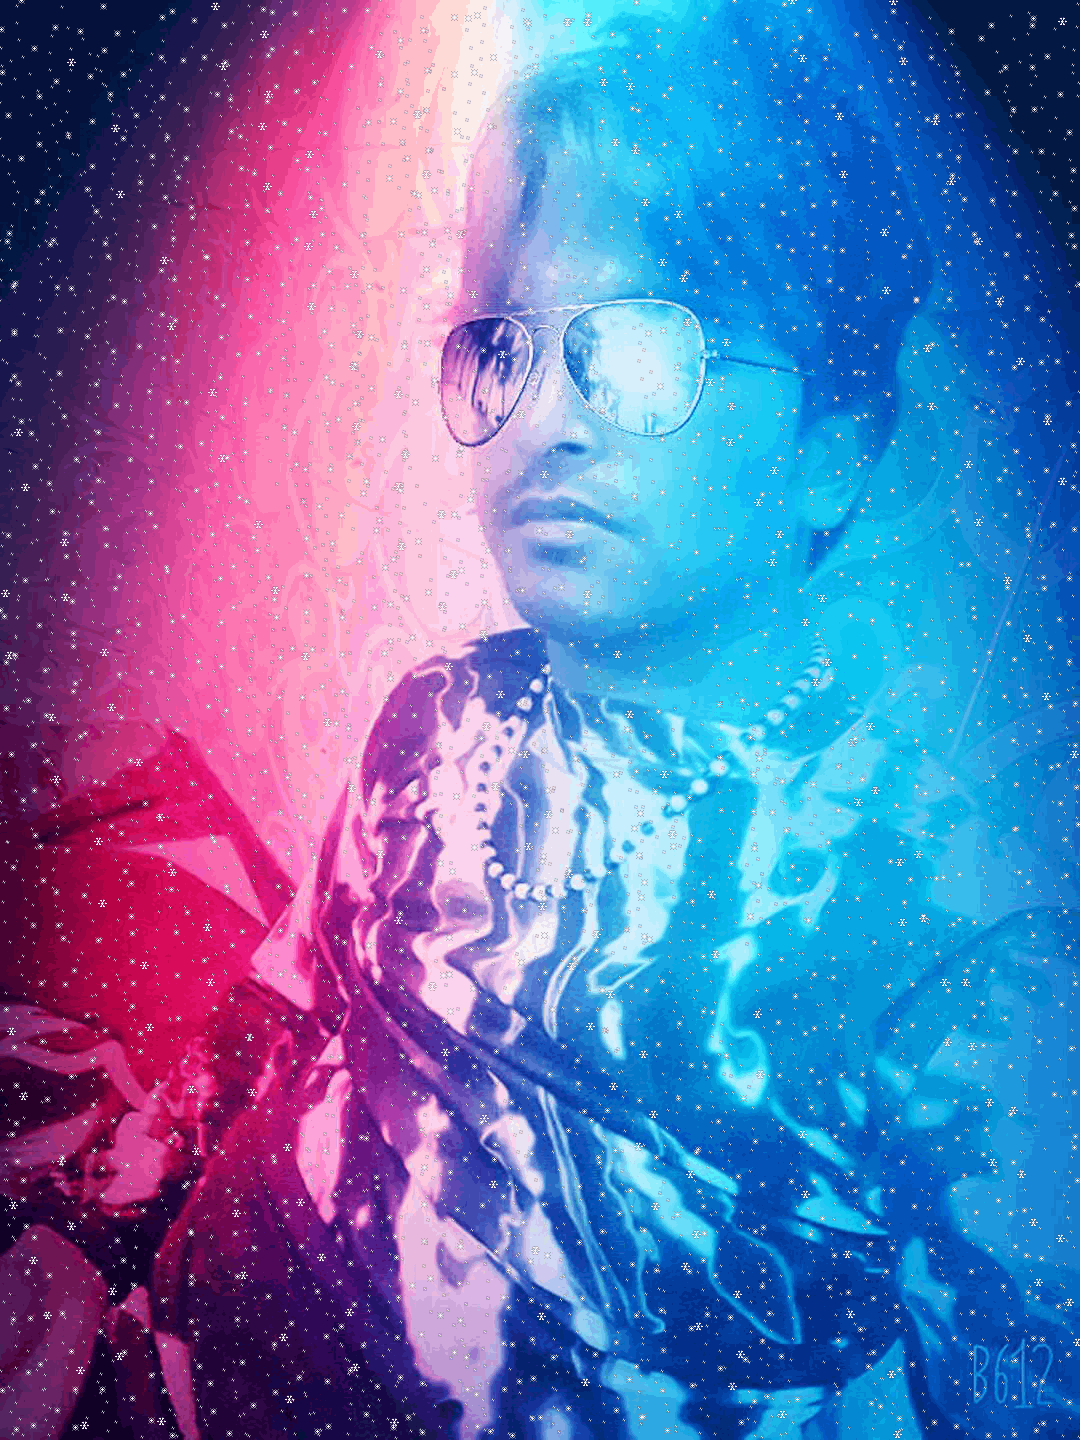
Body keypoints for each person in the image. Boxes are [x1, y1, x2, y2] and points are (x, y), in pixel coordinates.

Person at [153, 13, 1080, 1439]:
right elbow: (274, 1026)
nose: (544, 421)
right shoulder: (437, 716)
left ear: (832, 451)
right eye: (502, 346)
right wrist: (108, 1241)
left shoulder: (951, 930)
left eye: (644, 347)